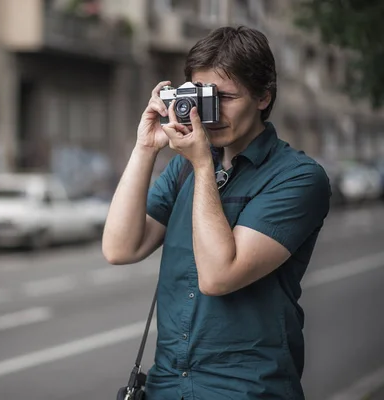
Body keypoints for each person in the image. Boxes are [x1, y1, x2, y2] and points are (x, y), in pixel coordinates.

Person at [102, 26, 331, 399]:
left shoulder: (298, 178)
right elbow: (120, 248)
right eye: (201, 95)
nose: (211, 111)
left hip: (246, 389)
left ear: (263, 97)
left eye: (225, 96)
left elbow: (218, 276)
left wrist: (203, 167)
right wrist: (145, 148)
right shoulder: (182, 170)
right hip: (167, 386)